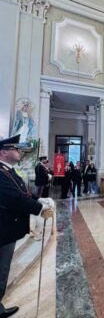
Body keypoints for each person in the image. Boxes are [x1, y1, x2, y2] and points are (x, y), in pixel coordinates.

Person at [0, 135, 52, 318]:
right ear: (4, 152)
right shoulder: (1, 172)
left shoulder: (8, 170)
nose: (19, 151)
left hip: (7, 228)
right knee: (1, 268)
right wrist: (39, 208)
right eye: (15, 149)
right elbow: (14, 197)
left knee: (3, 268)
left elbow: (22, 192)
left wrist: (38, 200)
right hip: (4, 228)